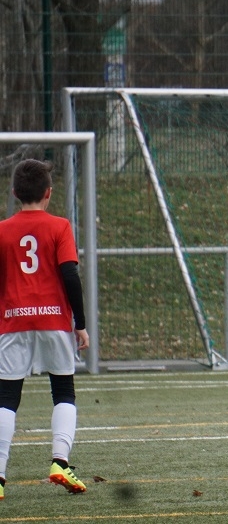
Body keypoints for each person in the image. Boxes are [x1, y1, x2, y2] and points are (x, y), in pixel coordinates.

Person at [0, 159, 90, 499]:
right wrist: (79, 323)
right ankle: (59, 462)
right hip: (53, 320)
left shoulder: (2, 230)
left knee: (6, 398)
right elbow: (70, 274)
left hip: (12, 322)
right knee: (63, 390)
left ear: (14, 193)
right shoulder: (60, 227)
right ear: (48, 194)